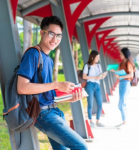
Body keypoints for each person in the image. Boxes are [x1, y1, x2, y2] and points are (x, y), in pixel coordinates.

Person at [17, 16, 88, 150]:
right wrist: (56, 84)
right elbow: (22, 87)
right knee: (81, 146)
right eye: (51, 34)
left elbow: (43, 93)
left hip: (53, 111)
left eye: (59, 36)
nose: (55, 39)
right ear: (42, 33)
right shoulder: (33, 54)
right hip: (41, 114)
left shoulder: (48, 59)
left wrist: (69, 98)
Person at [82, 50, 107, 128]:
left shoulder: (99, 66)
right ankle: (91, 121)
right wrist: (94, 77)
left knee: (100, 104)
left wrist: (103, 75)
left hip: (97, 85)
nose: (98, 59)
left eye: (99, 57)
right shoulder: (87, 66)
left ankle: (98, 121)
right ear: (92, 57)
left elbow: (100, 76)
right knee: (90, 104)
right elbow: (84, 76)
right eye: (97, 57)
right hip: (90, 85)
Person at [111, 47, 134, 127]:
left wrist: (120, 76)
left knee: (121, 104)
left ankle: (125, 121)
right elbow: (122, 73)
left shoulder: (128, 63)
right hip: (121, 84)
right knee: (123, 103)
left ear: (125, 54)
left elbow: (131, 75)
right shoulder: (122, 63)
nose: (120, 55)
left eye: (121, 54)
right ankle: (124, 121)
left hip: (126, 83)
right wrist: (115, 72)